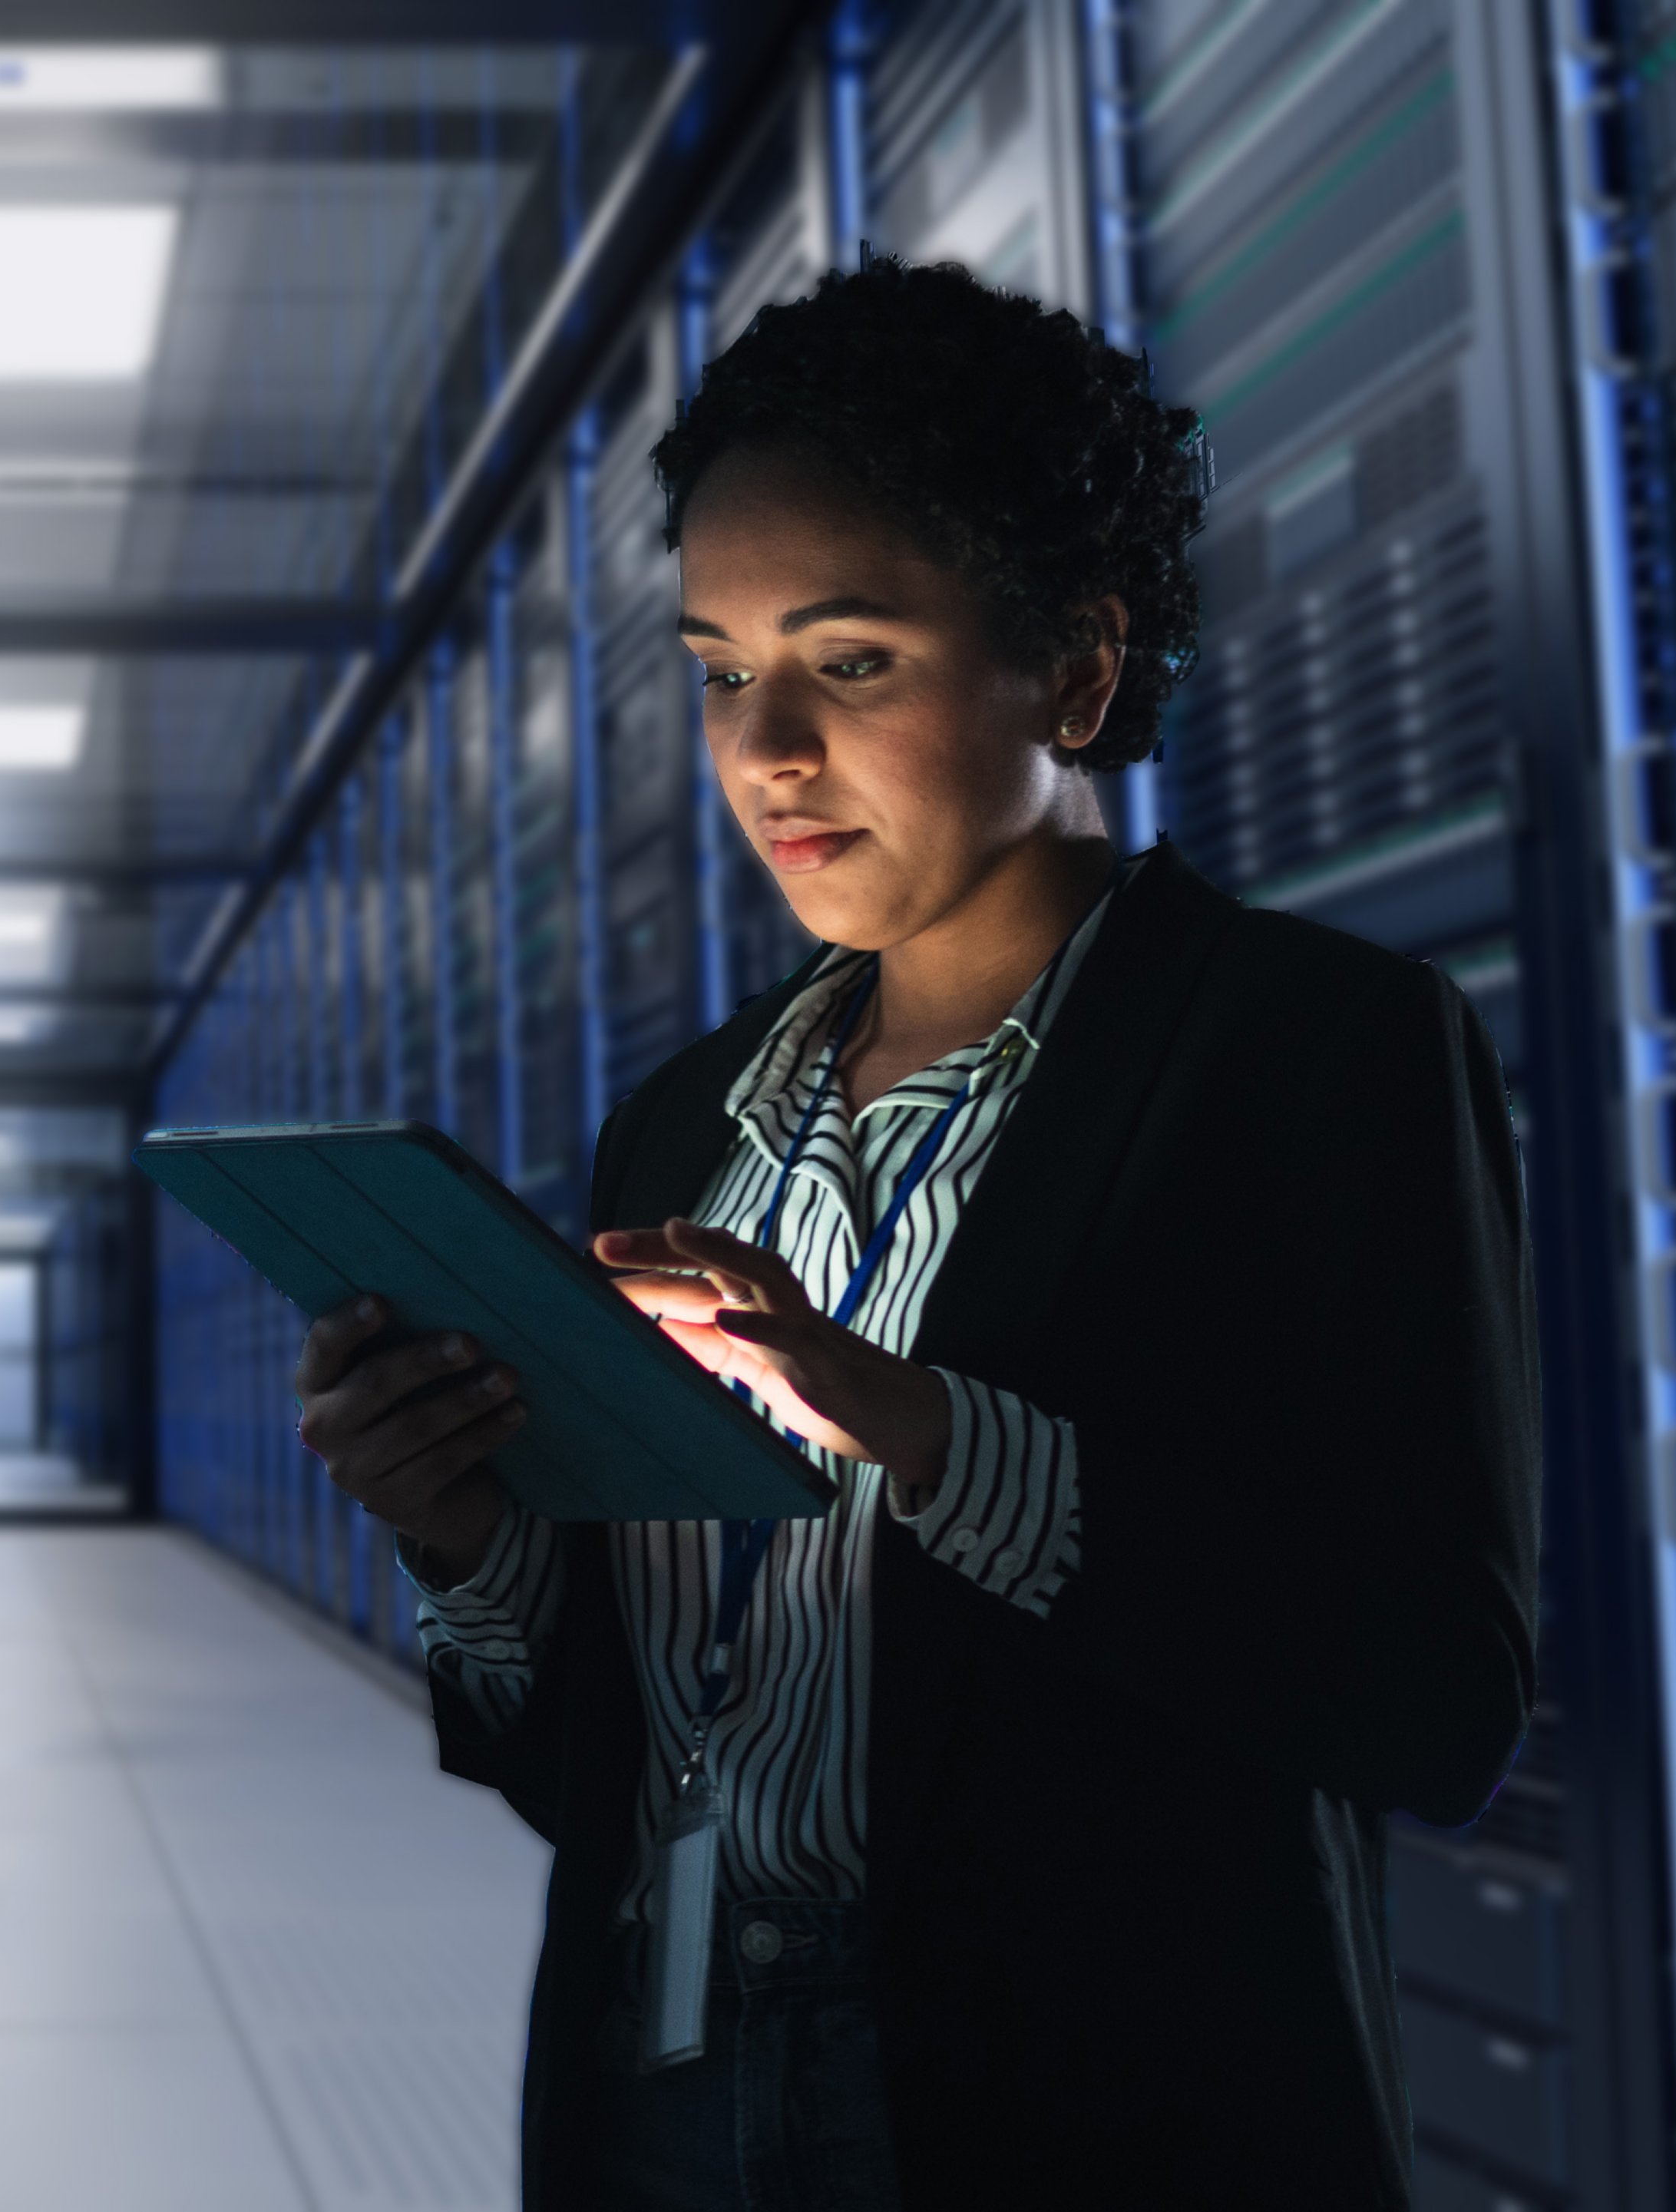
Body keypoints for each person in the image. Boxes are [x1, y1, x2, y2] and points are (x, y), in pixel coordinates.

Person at [288, 256, 1537, 2209]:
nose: (766, 750)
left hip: (1067, 2116)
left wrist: (925, 1429)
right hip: (664, 2078)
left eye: (849, 661)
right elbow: (611, 1768)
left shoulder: (1312, 1053)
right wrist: (471, 1533)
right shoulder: (686, 1119)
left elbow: (1430, 1692)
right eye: (720, 667)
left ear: (1076, 667)